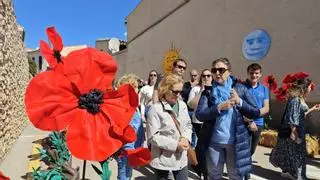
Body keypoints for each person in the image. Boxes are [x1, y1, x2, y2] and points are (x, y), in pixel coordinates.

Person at [195, 58, 261, 180]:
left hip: (236, 142)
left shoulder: (240, 89)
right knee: (214, 175)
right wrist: (218, 107)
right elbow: (200, 114)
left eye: (221, 69)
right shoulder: (208, 92)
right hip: (214, 142)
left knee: (235, 176)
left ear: (229, 71)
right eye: (214, 70)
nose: (217, 73)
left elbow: (256, 112)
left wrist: (239, 101)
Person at [270, 75, 320, 180]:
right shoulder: (296, 100)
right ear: (304, 88)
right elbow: (293, 117)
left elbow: (301, 114)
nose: (311, 89)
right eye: (310, 87)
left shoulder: (299, 99)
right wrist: (294, 132)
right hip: (295, 130)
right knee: (298, 154)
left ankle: (289, 172)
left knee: (291, 153)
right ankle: (299, 176)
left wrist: (312, 109)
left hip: (298, 129)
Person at [146, 74, 192, 180]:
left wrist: (185, 138)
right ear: (165, 89)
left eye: (180, 91)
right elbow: (152, 137)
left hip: (181, 158)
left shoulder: (183, 105)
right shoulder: (155, 109)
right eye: (175, 91)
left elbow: (188, 125)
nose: (178, 95)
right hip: (163, 160)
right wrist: (176, 144)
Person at [243, 63, 270, 179]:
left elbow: (266, 107)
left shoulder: (264, 89)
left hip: (258, 124)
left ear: (260, 75)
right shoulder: (242, 87)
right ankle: (245, 174)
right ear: (248, 73)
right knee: (244, 150)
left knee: (251, 150)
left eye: (256, 73)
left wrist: (255, 116)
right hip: (244, 124)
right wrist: (249, 121)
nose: (254, 75)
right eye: (251, 73)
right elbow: (239, 107)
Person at [116, 74, 144, 180]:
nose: (138, 89)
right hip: (127, 152)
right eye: (136, 87)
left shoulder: (133, 105)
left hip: (131, 150)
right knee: (124, 177)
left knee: (126, 176)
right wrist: (131, 153)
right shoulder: (127, 108)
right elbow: (128, 133)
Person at [187, 69, 212, 179]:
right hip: (199, 122)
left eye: (208, 75)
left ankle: (197, 164)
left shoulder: (215, 89)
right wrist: (202, 91)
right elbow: (191, 104)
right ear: (201, 77)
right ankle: (205, 173)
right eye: (204, 76)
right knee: (204, 147)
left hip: (212, 122)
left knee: (205, 148)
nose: (206, 78)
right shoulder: (196, 89)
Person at [182, 69, 199, 148]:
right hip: (187, 110)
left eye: (195, 75)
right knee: (188, 128)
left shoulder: (200, 85)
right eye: (192, 75)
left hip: (195, 111)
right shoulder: (186, 85)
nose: (193, 77)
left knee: (194, 130)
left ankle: (193, 146)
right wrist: (191, 87)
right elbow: (184, 94)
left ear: (198, 76)